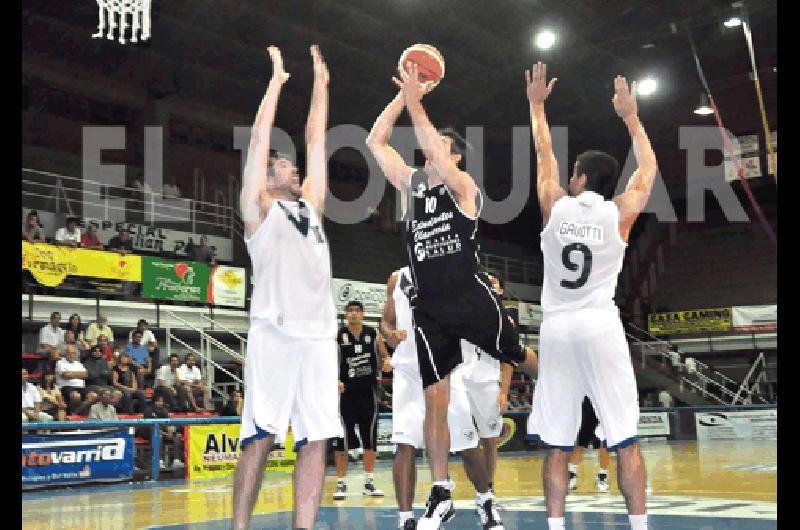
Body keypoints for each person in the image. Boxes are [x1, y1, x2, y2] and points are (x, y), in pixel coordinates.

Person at [368, 58, 537, 528]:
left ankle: (563, 390)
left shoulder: (464, 187)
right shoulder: (414, 187)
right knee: (436, 397)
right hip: (432, 308)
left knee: (519, 354)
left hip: (470, 294)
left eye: (441, 143)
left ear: (456, 155)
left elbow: (434, 152)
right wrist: (403, 97)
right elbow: (374, 141)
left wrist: (417, 102)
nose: (430, 148)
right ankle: (441, 489)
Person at [524, 62, 657, 530]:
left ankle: (556, 527)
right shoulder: (620, 214)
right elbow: (647, 169)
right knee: (625, 441)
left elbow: (544, 154)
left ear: (578, 177)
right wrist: (631, 118)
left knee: (559, 444)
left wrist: (537, 106)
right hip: (600, 325)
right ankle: (638, 527)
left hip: (558, 329)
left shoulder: (554, 207)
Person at [232, 45, 342, 530]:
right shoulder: (258, 211)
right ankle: (239, 526)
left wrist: (321, 85)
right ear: (267, 177)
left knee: (316, 437)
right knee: (260, 437)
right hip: (274, 335)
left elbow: (317, 141)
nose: (292, 169)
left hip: (318, 337)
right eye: (284, 167)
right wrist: (277, 81)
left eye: (292, 168)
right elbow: (259, 140)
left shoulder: (311, 208)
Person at [381, 267, 506, 530]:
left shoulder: (451, 269)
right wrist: (389, 333)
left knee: (467, 447)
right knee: (405, 445)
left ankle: (486, 501)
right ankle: (405, 519)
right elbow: (386, 321)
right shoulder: (397, 278)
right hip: (408, 371)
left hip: (445, 369)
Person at [332, 301, 388, 500]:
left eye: (357, 311)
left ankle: (369, 481)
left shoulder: (373, 334)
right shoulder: (338, 336)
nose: (354, 314)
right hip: (345, 394)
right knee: (342, 439)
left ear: (363, 314)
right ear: (347, 315)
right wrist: (335, 379)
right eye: (350, 311)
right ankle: (341, 483)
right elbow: (329, 361)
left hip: (368, 393)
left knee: (369, 438)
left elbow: (384, 355)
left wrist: (387, 362)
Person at [568, 397, 613, 493]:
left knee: (604, 444)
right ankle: (571, 475)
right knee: (581, 443)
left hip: (606, 406)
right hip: (588, 406)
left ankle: (602, 476)